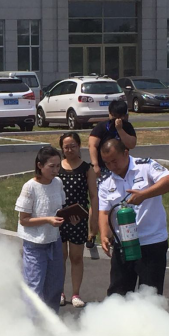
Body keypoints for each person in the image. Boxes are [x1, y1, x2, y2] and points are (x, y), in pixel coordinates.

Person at [98, 139, 169, 296]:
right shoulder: (106, 181)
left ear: (125, 153)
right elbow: (104, 212)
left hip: (151, 242)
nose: (112, 166)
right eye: (107, 163)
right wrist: (104, 235)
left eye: (114, 161)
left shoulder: (145, 166)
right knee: (118, 294)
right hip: (123, 244)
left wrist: (144, 194)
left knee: (150, 294)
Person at [15, 147, 66, 314]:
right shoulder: (30, 187)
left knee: (54, 286)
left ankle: (51, 321)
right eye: (51, 166)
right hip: (34, 244)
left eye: (58, 166)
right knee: (34, 287)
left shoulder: (58, 183)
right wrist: (47, 220)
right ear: (40, 165)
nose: (56, 170)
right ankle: (31, 324)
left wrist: (68, 217)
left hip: (54, 240)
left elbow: (59, 209)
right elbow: (24, 220)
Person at [58, 132, 98, 308]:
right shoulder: (56, 167)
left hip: (78, 220)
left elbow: (93, 195)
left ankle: (75, 293)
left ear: (79, 146)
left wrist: (93, 221)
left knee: (76, 257)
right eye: (66, 147)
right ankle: (59, 292)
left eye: (73, 146)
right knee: (60, 257)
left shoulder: (86, 169)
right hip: (58, 218)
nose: (70, 150)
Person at [89, 100, 136, 183]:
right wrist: (95, 164)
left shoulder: (127, 126)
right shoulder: (101, 126)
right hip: (104, 167)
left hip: (122, 167)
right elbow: (92, 145)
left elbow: (131, 144)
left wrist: (120, 130)